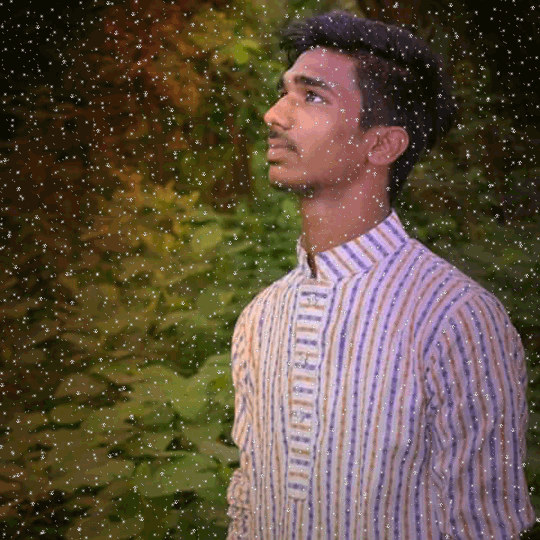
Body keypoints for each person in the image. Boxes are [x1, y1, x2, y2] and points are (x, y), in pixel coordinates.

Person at [225, 11, 535, 540]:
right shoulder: (260, 318)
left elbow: (485, 527)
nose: (274, 115)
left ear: (383, 145)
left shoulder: (457, 318)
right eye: (283, 93)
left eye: (312, 97)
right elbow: (248, 511)